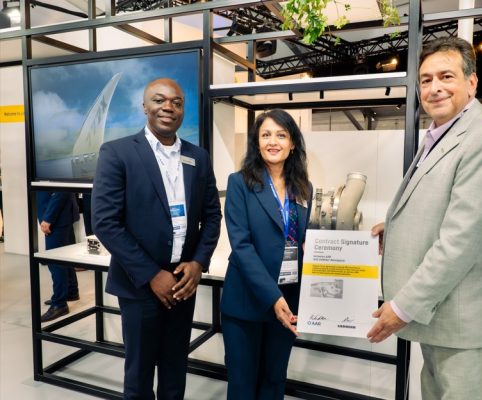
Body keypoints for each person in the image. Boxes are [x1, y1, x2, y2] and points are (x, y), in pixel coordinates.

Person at [366, 37, 482, 400]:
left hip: (464, 323)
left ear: (472, 82)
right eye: (426, 80)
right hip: (441, 319)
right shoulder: (442, 134)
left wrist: (402, 307)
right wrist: (397, 227)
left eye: (446, 76)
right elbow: (447, 205)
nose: (434, 87)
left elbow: (461, 241)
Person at [92, 78, 222, 399]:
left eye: (176, 102)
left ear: (183, 109)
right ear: (145, 107)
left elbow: (212, 216)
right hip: (139, 286)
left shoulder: (198, 157)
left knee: (175, 368)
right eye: (159, 100)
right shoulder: (117, 153)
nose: (168, 107)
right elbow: (106, 222)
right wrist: (152, 274)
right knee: (139, 374)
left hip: (183, 283)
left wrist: (198, 263)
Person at [221, 109, 312, 399]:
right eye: (266, 135)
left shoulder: (304, 188)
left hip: (288, 299)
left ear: (292, 143)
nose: (273, 142)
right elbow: (241, 246)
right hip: (246, 301)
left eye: (281, 135)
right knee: (243, 385)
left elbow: (301, 240)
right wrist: (273, 297)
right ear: (257, 142)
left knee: (274, 381)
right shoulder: (239, 183)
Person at [36, 191, 80, 322]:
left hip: (57, 217)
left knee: (55, 262)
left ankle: (59, 304)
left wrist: (49, 217)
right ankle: (71, 291)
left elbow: (60, 191)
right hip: (61, 215)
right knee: (65, 258)